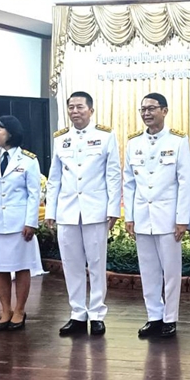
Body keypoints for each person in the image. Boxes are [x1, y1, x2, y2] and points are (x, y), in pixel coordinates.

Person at [45, 91, 121, 337]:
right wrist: (51, 210)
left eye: (80, 107)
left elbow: (113, 174)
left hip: (95, 210)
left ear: (91, 110)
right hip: (67, 211)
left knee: (97, 263)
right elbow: (55, 178)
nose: (75, 111)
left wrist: (112, 209)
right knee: (71, 264)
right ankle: (77, 313)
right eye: (71, 107)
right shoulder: (61, 139)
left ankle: (97, 314)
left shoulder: (105, 136)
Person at [123, 93, 190, 338]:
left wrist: (182, 218)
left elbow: (185, 182)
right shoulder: (134, 143)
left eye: (151, 108)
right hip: (143, 216)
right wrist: (129, 216)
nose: (146, 113)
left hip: (168, 217)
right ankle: (154, 315)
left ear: (164, 110)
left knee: (171, 272)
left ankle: (170, 318)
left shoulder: (178, 141)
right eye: (142, 109)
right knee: (148, 271)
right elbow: (129, 182)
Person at [0, 115, 41, 332]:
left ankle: (20, 310)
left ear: (11, 132)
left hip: (19, 223)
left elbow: (34, 194)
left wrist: (31, 222)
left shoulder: (29, 160)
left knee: (21, 267)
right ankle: (5, 310)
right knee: (0, 268)